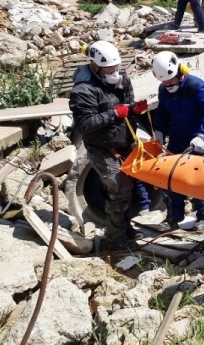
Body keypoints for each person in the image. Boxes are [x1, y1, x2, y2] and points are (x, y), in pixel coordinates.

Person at [69, 41, 149, 250]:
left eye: (116, 67)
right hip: (101, 147)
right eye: (109, 69)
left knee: (131, 185)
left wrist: (134, 110)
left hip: (123, 141)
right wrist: (114, 113)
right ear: (95, 66)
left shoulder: (121, 80)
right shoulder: (84, 91)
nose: (115, 72)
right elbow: (85, 124)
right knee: (119, 187)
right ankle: (114, 240)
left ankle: (123, 226)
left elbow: (127, 105)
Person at [151, 51, 204, 231]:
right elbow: (163, 112)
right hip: (177, 138)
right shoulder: (164, 90)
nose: (167, 84)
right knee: (171, 178)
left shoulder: (196, 87)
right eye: (164, 81)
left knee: (201, 180)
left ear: (180, 72)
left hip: (199, 139)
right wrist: (159, 131)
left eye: (170, 80)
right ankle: (173, 217)